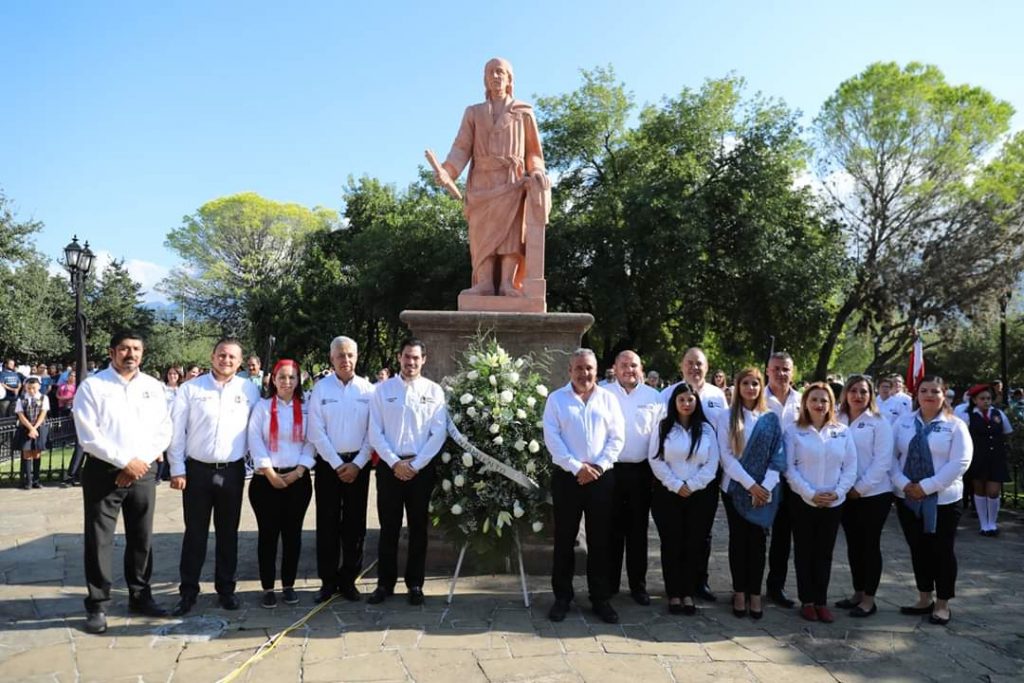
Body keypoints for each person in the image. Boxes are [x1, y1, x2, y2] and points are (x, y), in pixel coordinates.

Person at [73, 330, 172, 634]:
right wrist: (123, 462)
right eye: (125, 349)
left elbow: (163, 428)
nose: (131, 354)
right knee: (100, 539)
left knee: (141, 538)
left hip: (142, 472)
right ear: (112, 351)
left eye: (137, 349)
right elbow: (89, 435)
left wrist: (137, 463)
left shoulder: (153, 387)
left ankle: (140, 597)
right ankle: (98, 604)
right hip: (104, 473)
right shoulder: (93, 386)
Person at [435, 57, 551, 297]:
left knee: (510, 234)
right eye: (490, 72)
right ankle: (484, 283)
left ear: (509, 79)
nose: (495, 76)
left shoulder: (523, 112)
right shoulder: (474, 112)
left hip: (512, 182)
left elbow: (533, 153)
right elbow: (461, 148)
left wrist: (538, 171)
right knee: (482, 233)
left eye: (500, 72)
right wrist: (449, 171)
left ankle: (508, 283)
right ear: (485, 79)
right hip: (482, 183)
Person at [167, 338, 261, 616]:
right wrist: (176, 469)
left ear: (240, 362)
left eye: (232, 357)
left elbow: (257, 428)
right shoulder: (191, 389)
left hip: (232, 471)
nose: (226, 360)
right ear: (212, 356)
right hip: (197, 471)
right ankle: (188, 591)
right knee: (194, 533)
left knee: (228, 533)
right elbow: (176, 432)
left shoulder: (249, 390)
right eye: (222, 355)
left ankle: (226, 589)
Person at [544, 348, 625, 624]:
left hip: (601, 477)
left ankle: (600, 598)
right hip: (568, 477)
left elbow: (617, 438)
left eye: (589, 368)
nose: (584, 373)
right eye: (579, 368)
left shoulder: (608, 399)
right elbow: (553, 440)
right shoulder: (556, 400)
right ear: (570, 371)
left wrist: (598, 467)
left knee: (600, 540)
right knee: (564, 540)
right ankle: (562, 597)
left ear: (597, 369)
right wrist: (578, 467)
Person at [367, 338, 447, 606]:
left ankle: (415, 584)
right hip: (390, 469)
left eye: (416, 358)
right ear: (399, 357)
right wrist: (394, 462)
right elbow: (374, 431)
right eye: (406, 357)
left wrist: (415, 465)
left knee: (418, 529)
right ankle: (384, 584)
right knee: (388, 528)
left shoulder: (434, 392)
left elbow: (438, 434)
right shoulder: (382, 390)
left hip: (420, 470)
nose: (411, 362)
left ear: (424, 359)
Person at [892, 375, 972, 626]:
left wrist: (927, 487)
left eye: (935, 391)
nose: (929, 395)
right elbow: (890, 457)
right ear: (916, 394)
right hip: (908, 498)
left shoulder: (955, 425)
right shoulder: (903, 423)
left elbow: (960, 462)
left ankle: (942, 603)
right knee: (919, 549)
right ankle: (924, 597)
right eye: (924, 390)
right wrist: (905, 484)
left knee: (942, 551)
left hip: (943, 501)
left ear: (944, 395)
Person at [308, 336, 375, 603]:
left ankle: (349, 580)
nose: (345, 360)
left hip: (359, 467)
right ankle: (327, 581)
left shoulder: (369, 391)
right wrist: (337, 464)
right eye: (340, 356)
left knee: (355, 525)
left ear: (356, 357)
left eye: (350, 355)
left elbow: (374, 432)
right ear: (331, 358)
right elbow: (315, 431)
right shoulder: (320, 390)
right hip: (329, 467)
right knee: (327, 524)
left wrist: (357, 463)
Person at [717, 368, 786, 620]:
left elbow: (778, 456)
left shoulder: (770, 418)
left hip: (764, 492)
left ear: (761, 386)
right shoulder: (727, 417)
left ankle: (755, 593)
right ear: (738, 386)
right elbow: (726, 456)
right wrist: (750, 485)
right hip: (735, 488)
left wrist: (764, 487)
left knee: (757, 544)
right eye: (745, 383)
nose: (751, 388)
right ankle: (739, 592)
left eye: (755, 383)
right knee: (738, 542)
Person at [785, 382, 857, 623]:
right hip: (803, 501)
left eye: (824, 400)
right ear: (805, 403)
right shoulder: (794, 431)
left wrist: (837, 493)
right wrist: (809, 493)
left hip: (833, 502)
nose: (819, 404)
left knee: (824, 554)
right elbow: (789, 468)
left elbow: (850, 467)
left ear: (831, 404)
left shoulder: (843, 431)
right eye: (814, 400)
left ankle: (821, 601)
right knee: (804, 552)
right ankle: (806, 601)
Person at [659, 347, 727, 602]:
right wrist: (676, 482)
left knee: (702, 533)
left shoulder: (717, 395)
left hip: (707, 472)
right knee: (675, 535)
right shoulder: (667, 393)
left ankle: (700, 581)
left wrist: (703, 477)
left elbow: (721, 432)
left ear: (707, 367)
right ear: (681, 365)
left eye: (699, 363)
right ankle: (675, 586)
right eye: (689, 363)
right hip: (674, 476)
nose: (694, 368)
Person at [247, 359, 314, 608]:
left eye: (292, 377)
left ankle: (288, 584)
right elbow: (255, 440)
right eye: (282, 377)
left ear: (299, 381)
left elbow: (312, 440)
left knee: (292, 535)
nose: (287, 382)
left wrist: (298, 471)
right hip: (266, 481)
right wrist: (271, 474)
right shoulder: (262, 408)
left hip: (297, 480)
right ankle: (267, 587)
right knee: (268, 535)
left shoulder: (306, 408)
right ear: (273, 380)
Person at [648, 382, 720, 615]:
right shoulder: (663, 427)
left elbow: (712, 463)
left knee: (694, 544)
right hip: (668, 495)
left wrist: (693, 485)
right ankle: (674, 594)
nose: (686, 404)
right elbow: (655, 460)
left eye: (690, 399)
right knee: (671, 544)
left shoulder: (707, 430)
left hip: (700, 496)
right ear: (674, 402)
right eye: (682, 400)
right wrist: (677, 485)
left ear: (696, 402)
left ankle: (688, 592)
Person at [605, 350, 662, 605]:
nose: (629, 370)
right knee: (612, 529)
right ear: (615, 368)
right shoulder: (603, 393)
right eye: (624, 365)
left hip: (641, 472)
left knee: (638, 531)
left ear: (641, 368)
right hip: (611, 470)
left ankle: (638, 586)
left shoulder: (654, 397)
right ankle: (610, 583)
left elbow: (659, 437)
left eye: (634, 365)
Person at [835, 375, 894, 617]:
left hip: (873, 495)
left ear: (871, 395)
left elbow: (883, 461)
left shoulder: (879, 422)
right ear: (846, 393)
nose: (858, 396)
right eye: (854, 391)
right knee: (853, 546)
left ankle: (869, 599)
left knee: (869, 546)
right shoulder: (836, 419)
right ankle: (858, 592)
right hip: (846, 494)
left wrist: (860, 488)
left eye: (864, 392)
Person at [764, 351, 802, 609]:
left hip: (794, 479)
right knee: (753, 536)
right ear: (767, 371)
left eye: (785, 369)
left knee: (782, 537)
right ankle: (746, 587)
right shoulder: (756, 397)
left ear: (793, 372)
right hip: (761, 478)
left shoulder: (803, 401)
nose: (781, 374)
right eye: (776, 368)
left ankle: (776, 587)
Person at [962, 384, 1012, 536]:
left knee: (993, 491)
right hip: (977, 458)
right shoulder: (968, 416)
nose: (986, 401)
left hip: (996, 457)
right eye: (982, 399)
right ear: (975, 400)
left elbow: (1007, 431)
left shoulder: (998, 414)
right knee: (979, 489)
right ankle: (984, 524)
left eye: (989, 398)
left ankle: (993, 522)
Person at [14, 377, 50, 489]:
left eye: (34, 388)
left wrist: (35, 428)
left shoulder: (44, 398)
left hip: (39, 427)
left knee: (37, 452)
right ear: (25, 387)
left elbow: (43, 413)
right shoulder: (21, 399)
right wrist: (30, 428)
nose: (31, 390)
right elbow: (21, 415)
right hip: (26, 428)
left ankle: (36, 480)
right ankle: (28, 481)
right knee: (26, 453)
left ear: (38, 386)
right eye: (29, 388)